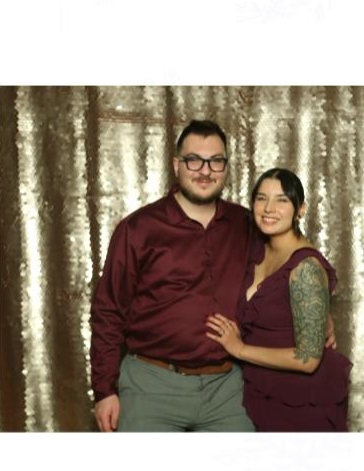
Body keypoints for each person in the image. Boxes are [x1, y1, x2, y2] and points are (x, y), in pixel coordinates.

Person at [91, 120, 255, 433]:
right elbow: (108, 311)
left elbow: (282, 271)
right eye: (194, 160)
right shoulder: (138, 229)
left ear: (225, 167)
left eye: (216, 161)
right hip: (151, 386)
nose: (205, 171)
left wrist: (313, 316)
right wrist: (104, 390)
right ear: (177, 165)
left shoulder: (245, 224)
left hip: (227, 388)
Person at [206, 167, 350, 432]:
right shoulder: (256, 250)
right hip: (259, 391)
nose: (269, 208)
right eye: (261, 198)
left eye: (282, 200)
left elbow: (308, 360)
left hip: (301, 402)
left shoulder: (305, 267)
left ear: (300, 209)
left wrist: (239, 349)